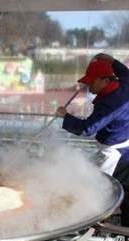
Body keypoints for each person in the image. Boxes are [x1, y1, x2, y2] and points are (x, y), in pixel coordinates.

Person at [55, 52, 129, 227]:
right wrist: (113, 61)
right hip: (126, 144)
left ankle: (98, 224)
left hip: (116, 153)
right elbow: (126, 73)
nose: (88, 85)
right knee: (123, 189)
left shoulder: (109, 104)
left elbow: (87, 128)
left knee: (101, 189)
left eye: (92, 81)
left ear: (106, 80)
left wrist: (65, 116)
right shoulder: (124, 84)